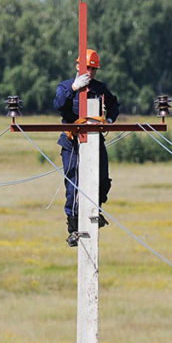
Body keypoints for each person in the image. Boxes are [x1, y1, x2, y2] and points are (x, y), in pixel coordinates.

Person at [53, 48, 119, 247]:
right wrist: (74, 88)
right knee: (73, 183)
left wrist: (108, 118)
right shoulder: (65, 87)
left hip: (94, 139)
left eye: (93, 69)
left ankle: (94, 212)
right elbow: (58, 104)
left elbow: (114, 104)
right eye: (87, 68)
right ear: (77, 66)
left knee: (102, 179)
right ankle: (73, 228)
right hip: (72, 141)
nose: (90, 72)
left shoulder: (100, 89)